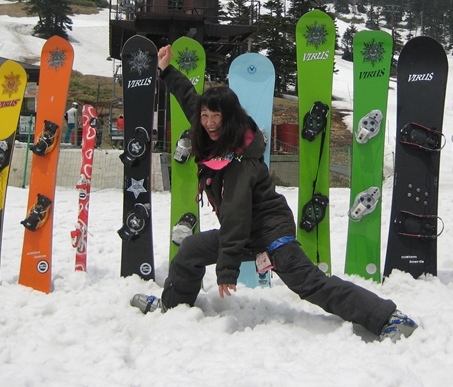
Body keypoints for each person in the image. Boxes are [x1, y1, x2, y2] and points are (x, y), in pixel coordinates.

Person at [130, 45, 418, 342]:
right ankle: (173, 306)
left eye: (216, 116)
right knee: (190, 250)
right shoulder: (212, 133)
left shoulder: (240, 160)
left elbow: (236, 215)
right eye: (205, 116)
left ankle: (388, 316)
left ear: (230, 118)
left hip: (270, 230)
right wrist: (166, 70)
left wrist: (227, 269)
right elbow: (190, 99)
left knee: (309, 283)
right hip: (244, 232)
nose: (209, 122)